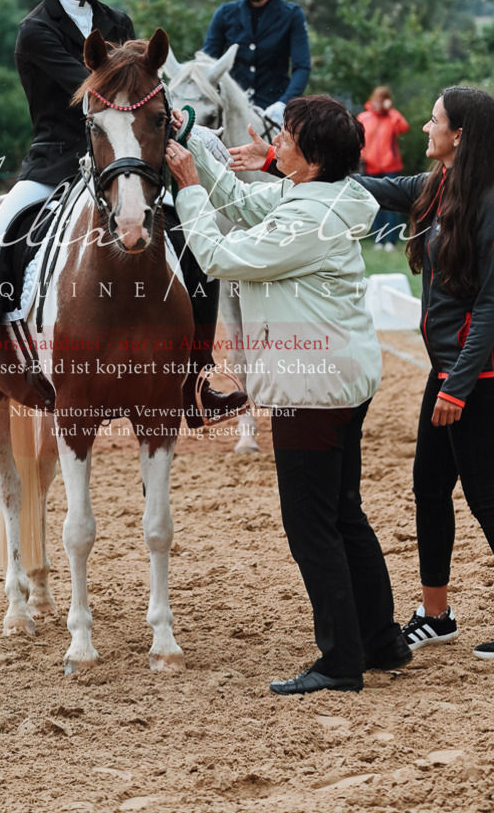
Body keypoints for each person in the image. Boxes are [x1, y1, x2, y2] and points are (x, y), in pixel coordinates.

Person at [0, 0, 246, 427]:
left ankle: (197, 375)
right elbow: (97, 94)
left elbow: (141, 92)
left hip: (124, 161)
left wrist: (178, 117)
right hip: (53, 163)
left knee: (191, 239)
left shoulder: (116, 22)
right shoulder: (35, 31)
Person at [166, 95, 412, 695]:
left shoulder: (308, 218)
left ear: (312, 157)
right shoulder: (324, 195)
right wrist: (192, 136)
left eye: (290, 137)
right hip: (341, 380)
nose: (282, 142)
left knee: (310, 526)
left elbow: (223, 256)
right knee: (343, 512)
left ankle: (340, 661)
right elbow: (246, 201)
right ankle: (380, 639)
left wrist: (189, 188)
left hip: (314, 386)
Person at [353, 86, 494, 661]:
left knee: (487, 497)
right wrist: (285, 162)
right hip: (446, 373)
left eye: (434, 120)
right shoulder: (437, 187)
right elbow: (371, 188)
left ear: (458, 135)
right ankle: (436, 615)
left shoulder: (489, 202)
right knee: (430, 488)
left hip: (477, 379)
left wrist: (458, 388)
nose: (427, 127)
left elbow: (490, 307)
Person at [202, 0, 311, 133]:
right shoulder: (225, 14)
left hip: (273, 109)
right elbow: (207, 62)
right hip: (231, 110)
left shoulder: (292, 15)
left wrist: (284, 103)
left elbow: (302, 67)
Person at [357, 86, 409, 250]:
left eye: (383, 100)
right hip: (370, 167)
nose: (379, 103)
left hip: (390, 166)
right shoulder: (364, 117)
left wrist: (391, 110)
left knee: (392, 204)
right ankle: (379, 240)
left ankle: (391, 241)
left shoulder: (392, 118)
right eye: (377, 99)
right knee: (375, 204)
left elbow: (403, 128)